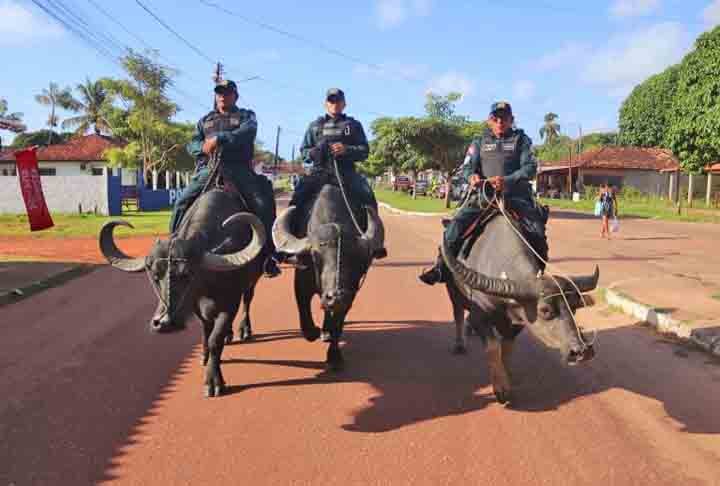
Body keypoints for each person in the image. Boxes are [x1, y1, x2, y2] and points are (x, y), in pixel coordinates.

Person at [419, 101, 547, 285]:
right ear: (489, 120)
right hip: (484, 197)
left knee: (537, 230)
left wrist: (507, 180)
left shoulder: (522, 140)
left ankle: (538, 274)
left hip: (515, 197)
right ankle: (441, 268)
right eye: (495, 118)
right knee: (456, 226)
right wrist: (472, 176)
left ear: (511, 120)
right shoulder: (479, 142)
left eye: (504, 118)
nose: (500, 122)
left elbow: (529, 168)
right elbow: (467, 168)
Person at [168, 79, 281, 277]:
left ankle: (268, 255)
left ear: (235, 96)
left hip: (238, 170)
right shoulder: (205, 120)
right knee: (181, 202)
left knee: (262, 204)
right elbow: (192, 144)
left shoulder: (246, 116)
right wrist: (200, 147)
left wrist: (219, 139)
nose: (222, 96)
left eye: (227, 93)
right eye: (219, 93)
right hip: (209, 169)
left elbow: (247, 133)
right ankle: (173, 248)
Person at [290, 88, 386, 258]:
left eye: (338, 101)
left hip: (346, 173)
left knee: (367, 196)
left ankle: (375, 243)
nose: (334, 104)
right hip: (318, 173)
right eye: (331, 101)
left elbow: (364, 150)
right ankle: (289, 245)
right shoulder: (315, 126)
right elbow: (304, 152)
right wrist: (313, 153)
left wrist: (346, 149)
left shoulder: (353, 125)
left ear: (344, 103)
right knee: (297, 197)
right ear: (326, 104)